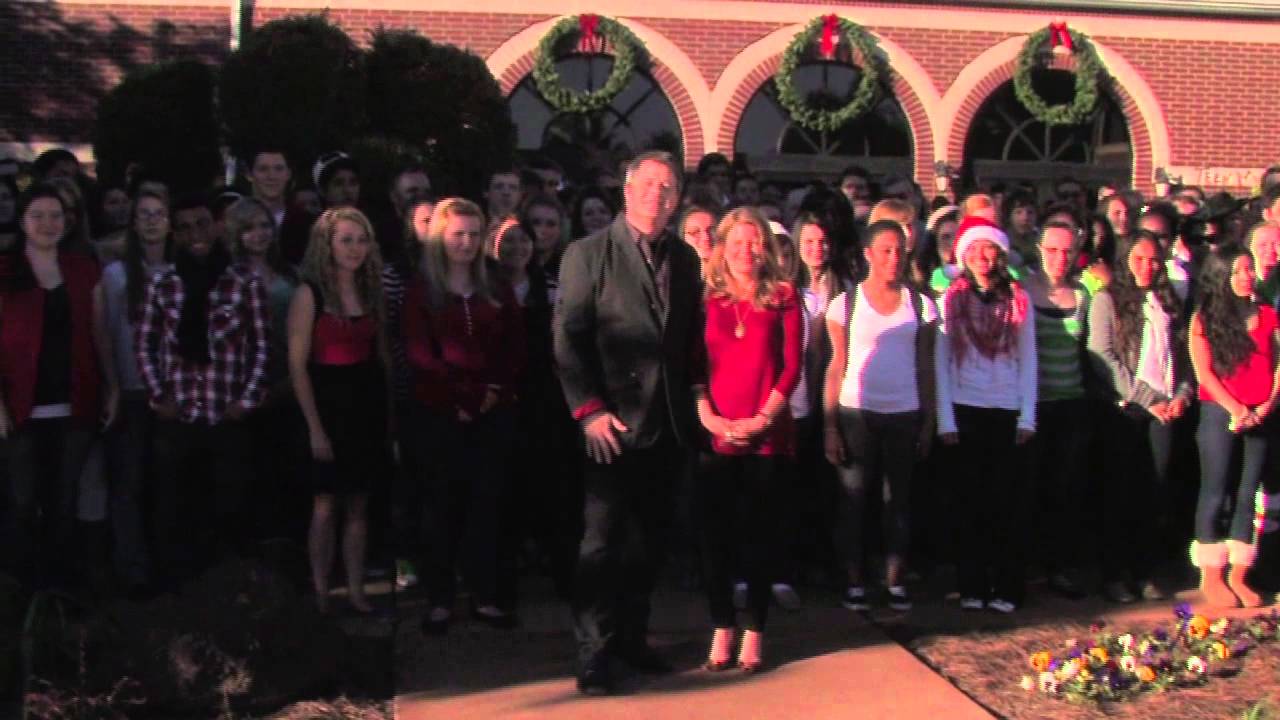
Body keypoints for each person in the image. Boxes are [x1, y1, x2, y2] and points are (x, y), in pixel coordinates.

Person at [554, 151, 704, 695]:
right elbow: (567, 337)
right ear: (626, 189)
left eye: (668, 187)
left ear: (677, 198)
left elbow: (687, 340)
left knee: (649, 542)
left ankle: (632, 639)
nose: (656, 195)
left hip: (667, 423)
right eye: (648, 184)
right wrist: (589, 410)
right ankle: (594, 653)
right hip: (609, 425)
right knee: (601, 544)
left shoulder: (685, 258)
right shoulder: (587, 254)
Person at [404, 198, 524, 634]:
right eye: (458, 234)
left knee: (486, 504)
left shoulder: (495, 284)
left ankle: (485, 594)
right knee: (440, 506)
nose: (467, 243)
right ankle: (439, 598)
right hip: (440, 413)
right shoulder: (423, 289)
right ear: (440, 236)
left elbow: (514, 343)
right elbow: (421, 353)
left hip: (493, 412)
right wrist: (459, 398)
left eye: (474, 234)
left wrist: (494, 391)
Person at [136, 193, 269, 587]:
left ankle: (229, 587)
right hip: (178, 416)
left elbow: (261, 346)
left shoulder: (244, 281)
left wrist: (246, 400)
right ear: (174, 234)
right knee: (174, 509)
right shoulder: (161, 282)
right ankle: (178, 591)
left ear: (217, 226)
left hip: (226, 414)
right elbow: (145, 343)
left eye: (202, 224)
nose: (195, 234)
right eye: (184, 227)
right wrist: (158, 396)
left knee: (230, 505)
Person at [694, 207, 801, 672]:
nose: (746, 251)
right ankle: (721, 624)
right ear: (721, 248)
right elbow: (693, 365)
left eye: (754, 241)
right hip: (715, 432)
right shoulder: (706, 299)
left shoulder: (783, 296)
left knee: (760, 534)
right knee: (714, 536)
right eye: (737, 242)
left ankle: (755, 629)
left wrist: (763, 419)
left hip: (766, 434)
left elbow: (792, 366)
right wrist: (709, 418)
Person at [823, 220, 938, 613]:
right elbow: (836, 366)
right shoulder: (845, 305)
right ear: (868, 254)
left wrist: (929, 419)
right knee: (853, 501)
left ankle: (894, 580)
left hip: (904, 413)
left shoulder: (921, 305)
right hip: (856, 412)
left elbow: (926, 365)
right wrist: (830, 425)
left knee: (898, 502)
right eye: (885, 250)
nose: (894, 258)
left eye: (900, 250)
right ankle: (853, 581)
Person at [0, 184, 107, 590]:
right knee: (22, 499)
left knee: (64, 500)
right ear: (22, 221)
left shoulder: (83, 269)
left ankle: (61, 589)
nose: (48, 224)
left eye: (56, 215)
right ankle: (21, 589)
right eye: (38, 215)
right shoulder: (4, 270)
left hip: (75, 400)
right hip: (19, 404)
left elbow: (100, 333)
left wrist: (112, 386)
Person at [287, 207, 390, 614]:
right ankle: (320, 590)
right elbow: (297, 365)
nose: (355, 248)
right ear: (326, 244)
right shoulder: (308, 294)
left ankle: (357, 589)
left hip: (365, 404)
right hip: (326, 404)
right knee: (325, 504)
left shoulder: (370, 291)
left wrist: (388, 418)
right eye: (346, 240)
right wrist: (314, 427)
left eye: (361, 240)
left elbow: (381, 356)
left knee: (359, 504)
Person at [936, 217, 1036, 613]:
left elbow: (1028, 358)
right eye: (974, 249)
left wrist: (1027, 416)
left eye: (989, 248)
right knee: (969, 504)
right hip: (965, 408)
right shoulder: (951, 300)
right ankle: (972, 584)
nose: (982, 256)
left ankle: (1007, 586)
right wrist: (945, 419)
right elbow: (942, 362)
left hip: (1006, 409)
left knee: (1006, 504)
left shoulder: (1018, 299)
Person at [1087, 230, 1191, 603]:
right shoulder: (1107, 299)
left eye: (1154, 260)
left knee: (1154, 491)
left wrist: (1182, 394)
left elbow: (1183, 355)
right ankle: (1114, 574)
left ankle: (1144, 570)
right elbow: (1102, 354)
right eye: (1139, 259)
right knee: (1121, 491)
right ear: (1125, 260)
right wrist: (1145, 398)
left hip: (1164, 410)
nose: (1147, 267)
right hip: (1126, 408)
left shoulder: (1168, 301)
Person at [1188, 245, 1280, 608]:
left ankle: (1238, 575)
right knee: (1216, 490)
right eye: (1237, 271)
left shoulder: (1268, 314)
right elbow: (1204, 372)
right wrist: (1236, 409)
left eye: (1249, 269)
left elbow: (1278, 363)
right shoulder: (1204, 319)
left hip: (1261, 413)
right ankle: (1211, 574)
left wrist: (1267, 404)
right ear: (1221, 276)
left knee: (1248, 493)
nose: (1246, 277)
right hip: (1220, 412)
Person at [99, 188, 172, 591]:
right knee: (129, 483)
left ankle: (167, 565)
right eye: (144, 214)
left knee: (165, 483)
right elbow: (106, 334)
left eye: (159, 213)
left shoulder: (180, 269)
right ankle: (131, 570)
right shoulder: (116, 276)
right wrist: (112, 386)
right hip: (130, 391)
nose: (151, 220)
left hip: (173, 394)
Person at [1021, 222, 1091, 599]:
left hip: (1071, 403)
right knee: (1031, 486)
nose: (1059, 258)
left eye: (1067, 251)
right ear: (1039, 249)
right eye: (1052, 250)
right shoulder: (1022, 290)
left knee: (1065, 488)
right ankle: (1030, 566)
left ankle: (1059, 566)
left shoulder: (1082, 294)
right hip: (1032, 405)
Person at [246, 149, 292, 227]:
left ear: (288, 174)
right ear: (249, 175)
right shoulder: (231, 219)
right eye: (263, 169)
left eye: (279, 169)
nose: (272, 176)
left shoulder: (307, 222)